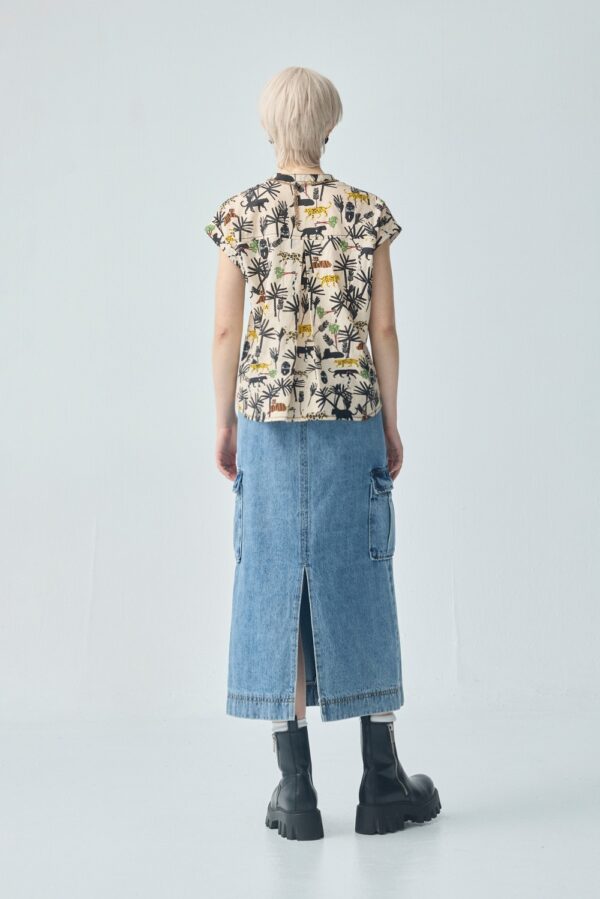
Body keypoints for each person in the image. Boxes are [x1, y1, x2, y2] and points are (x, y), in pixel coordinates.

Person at [206, 66, 441, 840]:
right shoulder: (365, 212)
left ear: (269, 127)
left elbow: (225, 332)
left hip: (268, 423)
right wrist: (391, 422)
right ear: (329, 128)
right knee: (361, 576)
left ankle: (297, 791)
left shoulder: (241, 213)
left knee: (276, 581)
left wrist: (223, 421)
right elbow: (384, 331)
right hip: (350, 419)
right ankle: (381, 782)